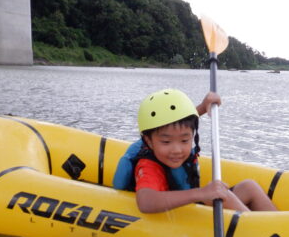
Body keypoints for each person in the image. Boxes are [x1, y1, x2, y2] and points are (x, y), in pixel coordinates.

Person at [113, 88, 278, 214]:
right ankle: (262, 233)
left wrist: (203, 106)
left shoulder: (163, 138)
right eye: (166, 142)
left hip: (189, 206)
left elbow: (179, 124)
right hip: (177, 216)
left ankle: (276, 224)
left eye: (185, 140)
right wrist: (200, 194)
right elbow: (146, 203)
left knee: (249, 186)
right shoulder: (149, 167)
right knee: (223, 196)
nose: (177, 149)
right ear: (148, 141)